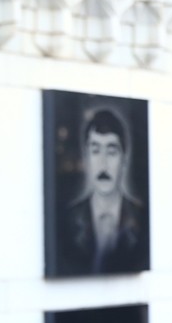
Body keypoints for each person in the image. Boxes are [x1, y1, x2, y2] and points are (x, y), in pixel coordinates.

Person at [60, 107, 147, 276]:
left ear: (124, 159)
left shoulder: (143, 218)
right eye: (95, 151)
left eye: (112, 151)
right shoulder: (68, 219)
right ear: (86, 157)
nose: (103, 163)